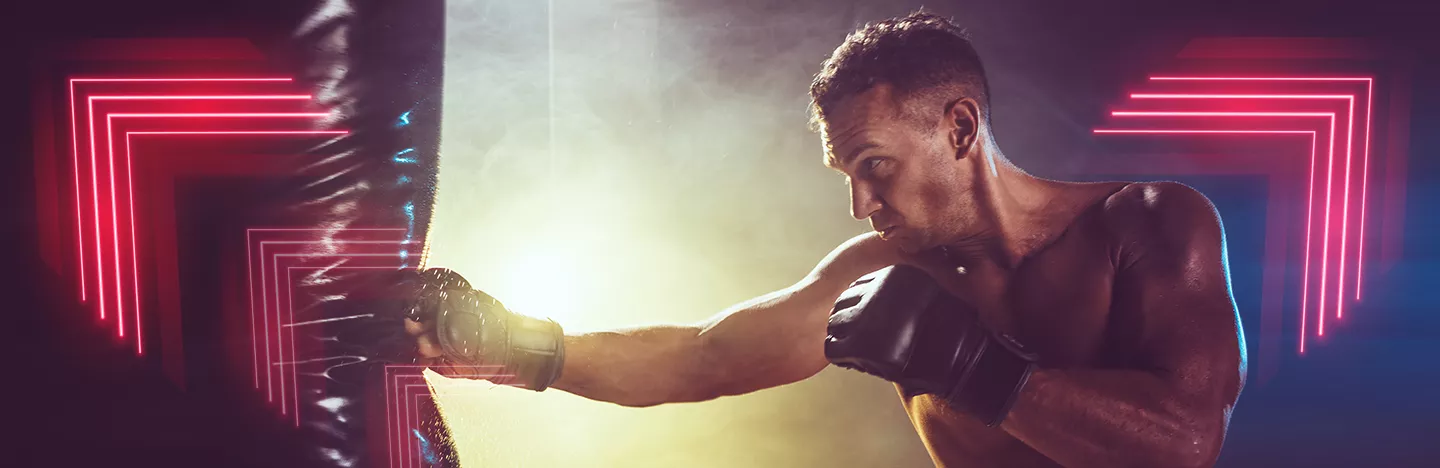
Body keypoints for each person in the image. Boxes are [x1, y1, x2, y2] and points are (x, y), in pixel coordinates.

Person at [400, 11, 1246, 468]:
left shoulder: (1148, 223)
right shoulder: (883, 271)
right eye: (846, 172)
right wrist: (523, 345)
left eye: (874, 165)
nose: (859, 203)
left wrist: (967, 364)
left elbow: (1184, 445)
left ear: (959, 128)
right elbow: (704, 359)